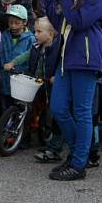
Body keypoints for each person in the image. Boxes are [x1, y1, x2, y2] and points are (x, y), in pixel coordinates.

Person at [42, 0, 102, 181]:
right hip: (66, 58)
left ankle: (79, 163)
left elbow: (80, 21)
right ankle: (80, 152)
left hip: (86, 60)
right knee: (58, 108)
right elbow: (60, 19)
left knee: (81, 112)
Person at [31, 18, 63, 164]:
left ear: (50, 33)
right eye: (35, 31)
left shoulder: (56, 47)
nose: (35, 34)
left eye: (39, 31)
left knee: (55, 114)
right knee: (43, 111)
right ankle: (50, 144)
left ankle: (54, 146)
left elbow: (60, 62)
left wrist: (55, 76)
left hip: (52, 84)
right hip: (40, 83)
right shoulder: (38, 46)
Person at [0, 5, 37, 109]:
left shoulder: (30, 39)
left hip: (21, 82)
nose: (13, 26)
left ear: (24, 22)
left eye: (17, 23)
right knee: (4, 109)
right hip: (5, 80)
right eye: (11, 22)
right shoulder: (4, 36)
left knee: (19, 109)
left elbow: (31, 59)